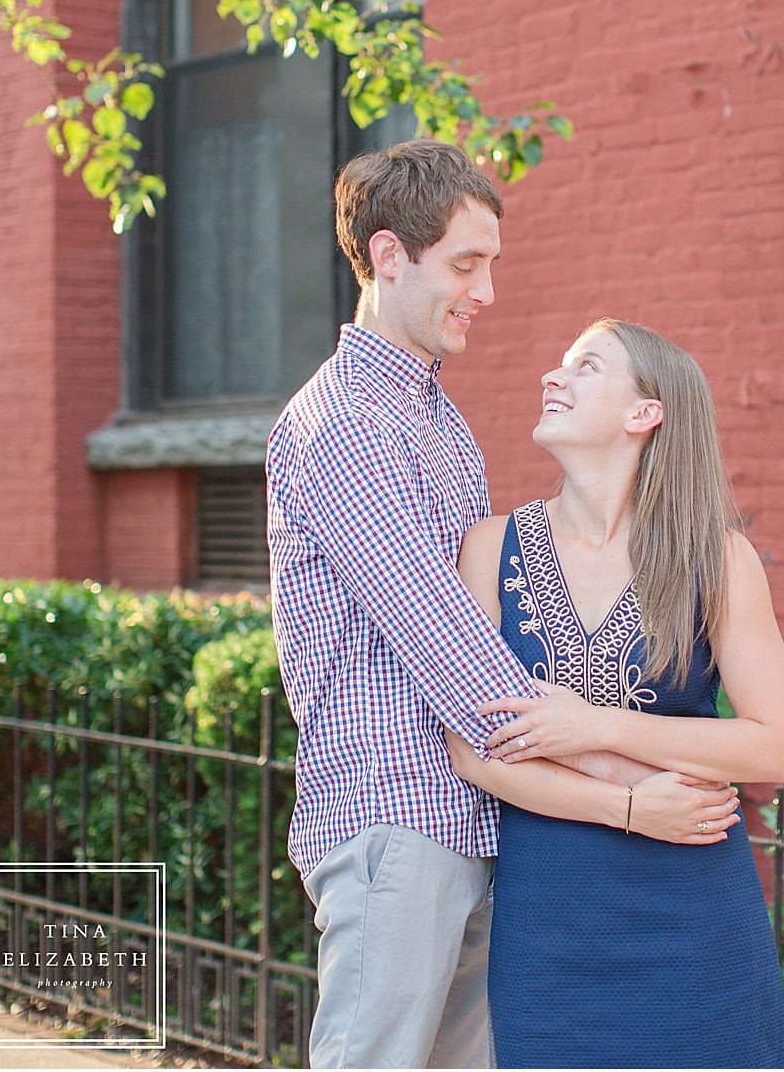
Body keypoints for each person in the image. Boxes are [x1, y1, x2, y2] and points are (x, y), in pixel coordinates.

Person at [267, 140, 738, 1069]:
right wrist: (625, 781)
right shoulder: (343, 423)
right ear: (391, 255)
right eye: (465, 264)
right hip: (394, 815)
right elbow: (449, 645)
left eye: (491, 265)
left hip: (476, 813)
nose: (486, 290)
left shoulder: (437, 420)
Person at [447, 319, 784, 1067]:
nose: (554, 377)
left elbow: (776, 745)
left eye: (586, 367)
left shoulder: (718, 558)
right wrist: (629, 806)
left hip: (697, 912)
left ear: (645, 413)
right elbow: (474, 752)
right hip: (551, 917)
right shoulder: (489, 547)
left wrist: (593, 725)